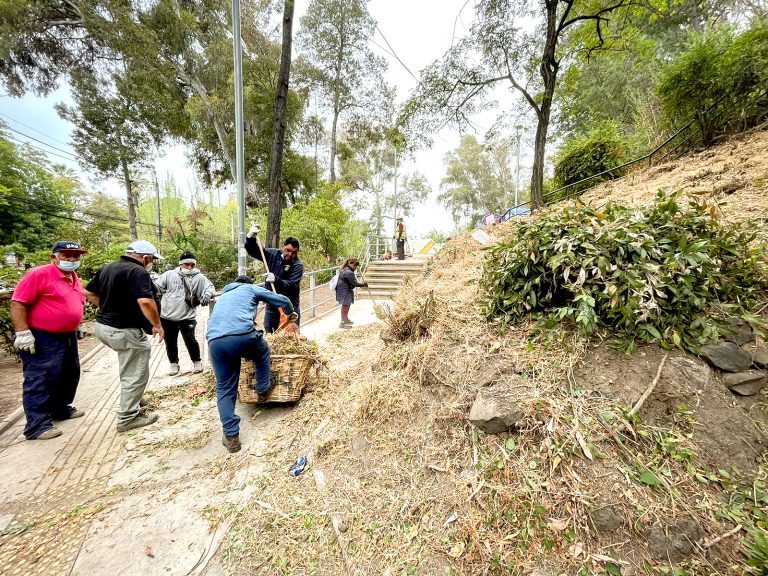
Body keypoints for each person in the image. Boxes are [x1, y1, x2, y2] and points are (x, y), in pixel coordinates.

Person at [206, 275, 296, 453]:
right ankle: (262, 389)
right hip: (242, 335)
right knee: (262, 353)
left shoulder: (222, 297)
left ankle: (231, 437)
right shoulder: (249, 288)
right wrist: (290, 313)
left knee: (224, 387)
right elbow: (283, 300)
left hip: (215, 342)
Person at [84, 240, 165, 433]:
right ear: (145, 257)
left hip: (103, 327)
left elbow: (88, 292)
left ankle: (134, 397)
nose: (151, 262)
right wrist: (157, 325)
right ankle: (128, 417)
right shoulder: (137, 271)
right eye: (152, 259)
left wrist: (108, 308)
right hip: (123, 329)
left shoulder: (109, 267)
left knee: (129, 364)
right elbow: (146, 302)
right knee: (136, 371)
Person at [11, 241, 88, 440]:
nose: (72, 259)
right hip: (43, 335)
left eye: (76, 256)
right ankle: (36, 425)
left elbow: (76, 300)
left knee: (68, 373)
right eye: (66, 255)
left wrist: (79, 322)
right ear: (54, 257)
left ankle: (59, 409)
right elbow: (18, 302)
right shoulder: (40, 274)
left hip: (66, 334)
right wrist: (22, 332)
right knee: (41, 377)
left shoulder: (72, 276)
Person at [154, 251, 215, 376]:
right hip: (167, 316)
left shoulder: (199, 277)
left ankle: (197, 361)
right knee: (170, 342)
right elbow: (156, 287)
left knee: (190, 340)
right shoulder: (169, 275)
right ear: (181, 264)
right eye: (187, 264)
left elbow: (210, 287)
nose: (189, 267)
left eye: (192, 265)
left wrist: (207, 295)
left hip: (187, 316)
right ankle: (173, 363)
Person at [244, 226, 304, 333]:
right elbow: (254, 251)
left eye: (294, 252)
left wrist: (276, 280)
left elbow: (292, 285)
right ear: (283, 247)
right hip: (272, 303)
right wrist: (250, 238)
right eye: (288, 250)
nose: (290, 254)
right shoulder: (272, 254)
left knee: (290, 335)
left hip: (290, 305)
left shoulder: (297, 265)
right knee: (269, 332)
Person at [334, 258, 368, 329]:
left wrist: (362, 284)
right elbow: (355, 283)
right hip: (343, 289)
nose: (356, 267)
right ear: (350, 264)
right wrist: (364, 284)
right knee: (345, 304)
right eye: (355, 265)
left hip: (345, 288)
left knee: (348, 303)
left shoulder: (348, 270)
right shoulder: (348, 272)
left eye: (357, 266)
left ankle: (345, 319)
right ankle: (343, 322)